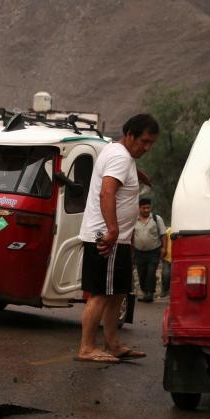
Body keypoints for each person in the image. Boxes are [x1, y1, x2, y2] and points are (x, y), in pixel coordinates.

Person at [75, 114, 159, 363]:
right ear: (130, 135)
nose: (147, 147)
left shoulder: (119, 153)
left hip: (117, 239)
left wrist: (138, 172)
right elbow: (107, 191)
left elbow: (117, 173)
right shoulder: (121, 158)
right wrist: (112, 230)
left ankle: (112, 344)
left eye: (151, 143)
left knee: (117, 293)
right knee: (100, 293)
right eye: (144, 141)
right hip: (107, 237)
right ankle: (87, 348)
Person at [132, 196, 167, 302]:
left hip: (154, 251)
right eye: (144, 208)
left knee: (151, 273)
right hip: (139, 252)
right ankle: (145, 291)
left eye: (148, 207)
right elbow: (131, 236)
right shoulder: (134, 220)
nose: (146, 210)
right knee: (141, 273)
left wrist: (164, 248)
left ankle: (150, 294)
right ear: (139, 208)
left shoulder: (157, 219)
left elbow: (163, 234)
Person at [161, 226, 172, 298]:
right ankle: (164, 290)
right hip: (167, 257)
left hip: (178, 257)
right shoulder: (168, 231)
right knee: (166, 274)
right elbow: (163, 242)